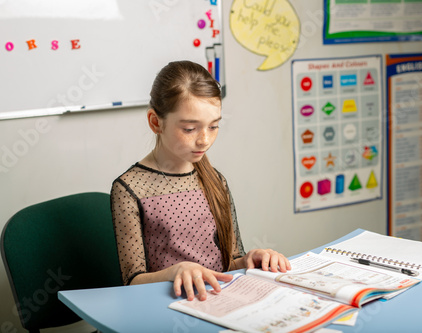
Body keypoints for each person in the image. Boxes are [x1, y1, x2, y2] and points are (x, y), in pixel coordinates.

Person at [110, 60, 291, 302]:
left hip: (217, 301)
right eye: (189, 129)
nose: (204, 140)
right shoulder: (130, 189)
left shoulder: (215, 180)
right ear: (155, 122)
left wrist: (250, 259)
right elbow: (132, 280)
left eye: (214, 126)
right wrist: (174, 272)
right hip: (167, 306)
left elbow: (230, 260)